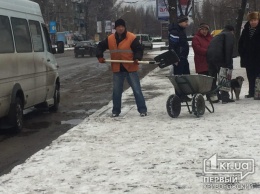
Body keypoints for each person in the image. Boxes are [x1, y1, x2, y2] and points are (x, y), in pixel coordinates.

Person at [96, 18, 147, 117]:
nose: (120, 28)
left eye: (122, 27)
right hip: (117, 69)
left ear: (124, 27)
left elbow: (139, 49)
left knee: (137, 90)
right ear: (115, 28)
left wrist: (137, 58)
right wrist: (100, 56)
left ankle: (142, 110)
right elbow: (100, 46)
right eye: (118, 27)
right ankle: (116, 111)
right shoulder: (110, 39)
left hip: (130, 68)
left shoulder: (131, 37)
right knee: (116, 91)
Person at [206, 25, 235, 104]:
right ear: (232, 30)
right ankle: (225, 97)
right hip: (220, 58)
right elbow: (228, 49)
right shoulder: (228, 35)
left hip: (210, 57)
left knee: (213, 77)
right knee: (224, 75)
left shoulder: (217, 36)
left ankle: (213, 97)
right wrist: (229, 64)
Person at [238, 12, 260, 98]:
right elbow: (240, 43)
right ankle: (251, 92)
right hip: (248, 58)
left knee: (258, 76)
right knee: (250, 76)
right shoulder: (245, 30)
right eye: (251, 20)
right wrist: (242, 53)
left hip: (258, 58)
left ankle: (258, 93)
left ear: (258, 20)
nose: (253, 22)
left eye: (255, 20)